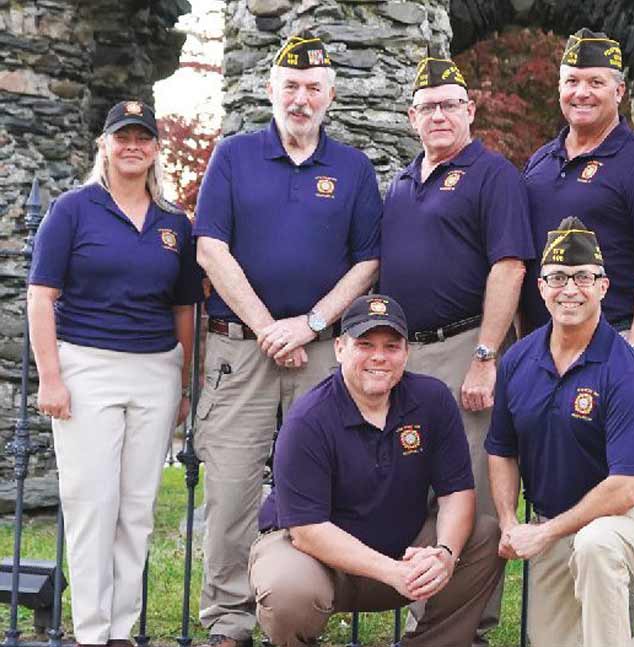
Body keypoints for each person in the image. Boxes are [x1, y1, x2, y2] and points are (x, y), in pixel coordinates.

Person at [193, 33, 382, 647]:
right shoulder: (233, 156)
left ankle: (312, 603)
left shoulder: (352, 168)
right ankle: (228, 622)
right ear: (271, 90)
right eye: (290, 86)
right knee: (229, 488)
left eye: (313, 89)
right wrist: (267, 327)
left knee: (332, 480)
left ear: (330, 96)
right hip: (238, 352)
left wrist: (310, 324)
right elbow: (209, 248)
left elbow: (367, 263)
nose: (301, 98)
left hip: (321, 351)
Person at [28, 99, 201, 647]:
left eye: (142, 137)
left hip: (155, 370)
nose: (132, 146)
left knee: (137, 508)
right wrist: (50, 377)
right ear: (104, 144)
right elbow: (40, 298)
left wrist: (183, 382)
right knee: (91, 504)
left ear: (155, 148)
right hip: (86, 367)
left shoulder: (175, 223)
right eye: (122, 136)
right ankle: (91, 633)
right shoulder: (72, 210)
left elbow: (184, 311)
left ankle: (122, 630)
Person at [248, 294, 504, 647]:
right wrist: (393, 572)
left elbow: (456, 492)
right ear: (339, 348)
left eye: (391, 345)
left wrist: (444, 554)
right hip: (316, 558)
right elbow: (307, 531)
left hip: (402, 550)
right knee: (287, 589)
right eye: (364, 344)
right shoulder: (308, 418)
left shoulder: (432, 400)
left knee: (483, 535)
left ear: (406, 352)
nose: (379, 357)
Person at [379, 55, 532, 644]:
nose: (438, 115)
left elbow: (511, 265)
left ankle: (467, 628)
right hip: (401, 358)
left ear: (470, 111)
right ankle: (423, 616)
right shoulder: (398, 183)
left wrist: (487, 356)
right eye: (427, 107)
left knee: (467, 490)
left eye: (450, 105)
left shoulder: (494, 177)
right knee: (411, 489)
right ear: (411, 116)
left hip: (466, 347)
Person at [486, 217, 634, 647]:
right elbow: (502, 450)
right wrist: (508, 522)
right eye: (557, 277)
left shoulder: (626, 368)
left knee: (597, 545)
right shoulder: (517, 361)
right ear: (540, 288)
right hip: (553, 522)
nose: (569, 289)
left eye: (582, 277)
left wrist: (544, 532)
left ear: (603, 286)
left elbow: (627, 489)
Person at [520, 29, 634, 359]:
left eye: (595, 82)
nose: (582, 93)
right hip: (542, 348)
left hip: (613, 342)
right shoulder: (539, 162)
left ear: (619, 91)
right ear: (560, 89)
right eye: (572, 82)